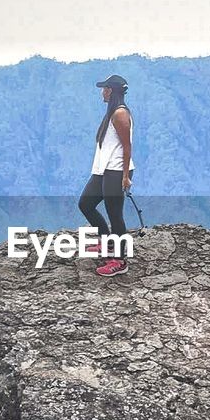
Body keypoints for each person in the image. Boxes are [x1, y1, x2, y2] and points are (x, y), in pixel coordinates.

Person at [78, 74, 135, 276]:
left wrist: (126, 176)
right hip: (103, 170)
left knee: (115, 215)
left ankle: (119, 261)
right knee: (85, 203)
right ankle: (107, 242)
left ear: (112, 91)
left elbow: (127, 147)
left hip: (116, 170)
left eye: (105, 88)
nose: (102, 91)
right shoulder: (112, 113)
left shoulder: (120, 114)